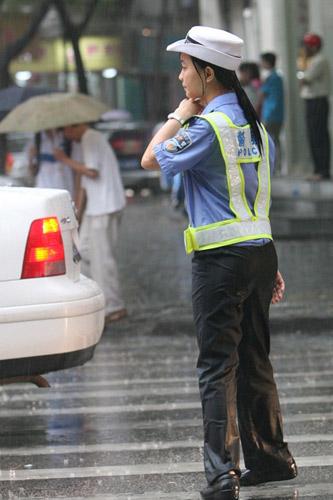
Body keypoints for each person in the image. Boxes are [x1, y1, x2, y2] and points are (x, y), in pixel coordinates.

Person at [141, 26, 297, 500]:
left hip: (221, 262)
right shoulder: (253, 126)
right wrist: (269, 264)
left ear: (208, 73)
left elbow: (151, 158)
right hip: (257, 252)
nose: (181, 77)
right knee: (254, 360)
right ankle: (271, 460)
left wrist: (178, 114)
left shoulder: (208, 127)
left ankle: (220, 474)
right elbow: (255, 200)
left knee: (216, 367)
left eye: (186, 68)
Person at [53, 123, 127, 324]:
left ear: (74, 126)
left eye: (66, 130)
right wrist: (77, 211)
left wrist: (64, 160)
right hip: (97, 207)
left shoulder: (90, 138)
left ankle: (114, 305)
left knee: (102, 258)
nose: (66, 136)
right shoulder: (84, 142)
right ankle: (92, 301)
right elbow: (83, 183)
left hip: (105, 206)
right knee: (82, 252)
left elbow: (91, 172)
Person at [299, 33, 331, 181]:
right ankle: (317, 169)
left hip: (318, 101)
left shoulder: (319, 61)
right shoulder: (312, 60)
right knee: (312, 136)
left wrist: (303, 64)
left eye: (307, 46)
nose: (304, 49)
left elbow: (305, 79)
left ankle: (323, 171)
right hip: (311, 101)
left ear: (314, 46)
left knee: (319, 136)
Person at [28, 129, 75, 197]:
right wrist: (30, 158)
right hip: (45, 187)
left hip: (65, 185)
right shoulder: (35, 141)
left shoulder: (65, 136)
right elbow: (32, 172)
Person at [258, 53, 284, 174]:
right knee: (276, 140)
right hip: (278, 113)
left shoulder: (269, 78)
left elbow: (262, 95)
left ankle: (271, 168)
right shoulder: (278, 77)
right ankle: (278, 167)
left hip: (269, 113)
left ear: (267, 62)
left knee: (268, 141)